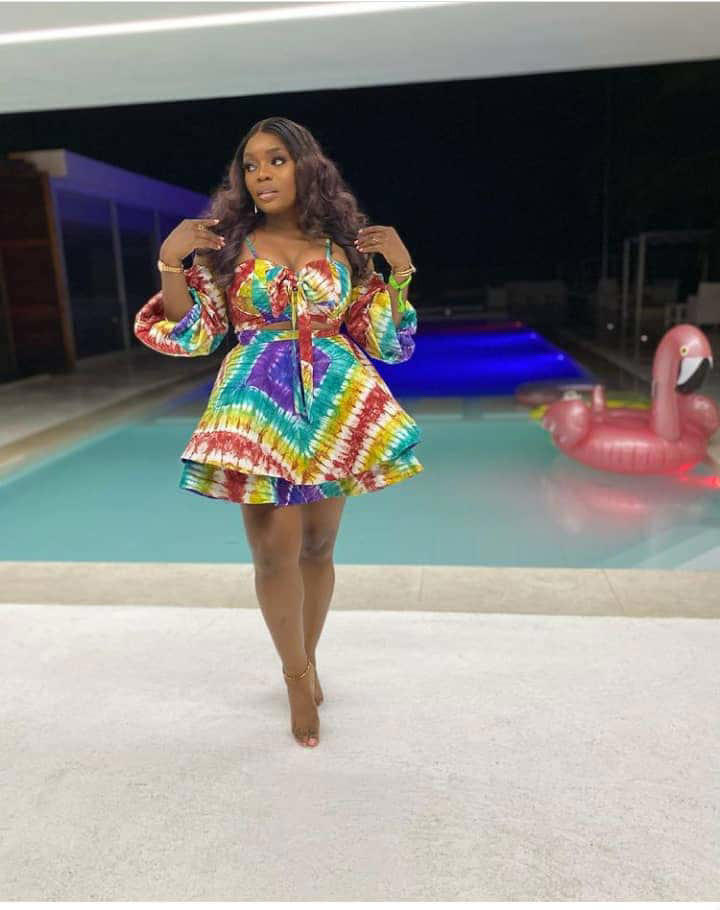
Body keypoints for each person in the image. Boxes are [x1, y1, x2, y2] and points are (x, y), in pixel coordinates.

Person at [134, 117, 422, 749]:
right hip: (256, 405)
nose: (261, 175)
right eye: (251, 165)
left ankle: (310, 656)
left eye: (276, 161)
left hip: (336, 402)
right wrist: (171, 262)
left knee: (318, 550)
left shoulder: (346, 247)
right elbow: (196, 333)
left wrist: (398, 272)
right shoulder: (227, 247)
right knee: (273, 553)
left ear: (305, 166)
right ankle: (294, 677)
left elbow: (384, 339)